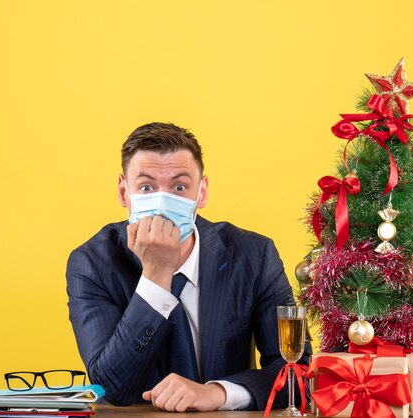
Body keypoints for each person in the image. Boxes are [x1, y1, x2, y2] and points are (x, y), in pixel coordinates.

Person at [66, 122, 310, 412]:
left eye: (179, 187)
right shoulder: (92, 262)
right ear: (123, 192)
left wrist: (218, 393)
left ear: (202, 192)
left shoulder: (254, 256)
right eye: (146, 187)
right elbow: (113, 385)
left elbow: (297, 372)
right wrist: (156, 277)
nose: (163, 202)